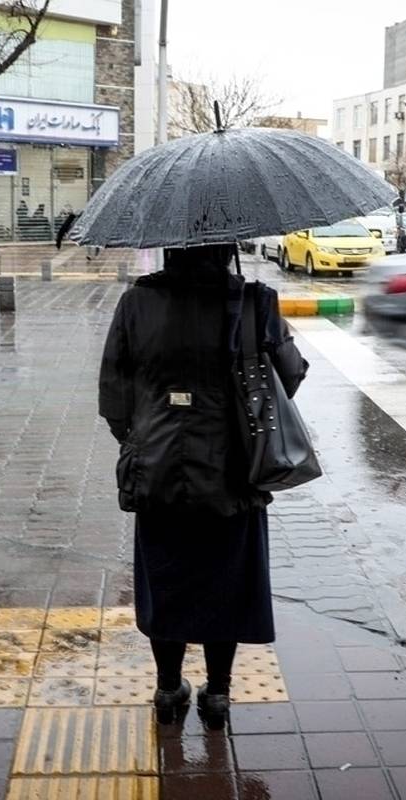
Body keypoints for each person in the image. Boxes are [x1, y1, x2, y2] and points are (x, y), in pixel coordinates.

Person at [98, 243, 308, 729]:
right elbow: (289, 380)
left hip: (158, 469)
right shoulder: (255, 301)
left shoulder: (136, 303)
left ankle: (169, 688)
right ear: (228, 244)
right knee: (226, 584)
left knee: (166, 580)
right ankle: (218, 692)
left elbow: (114, 394)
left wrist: (141, 437)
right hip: (233, 473)